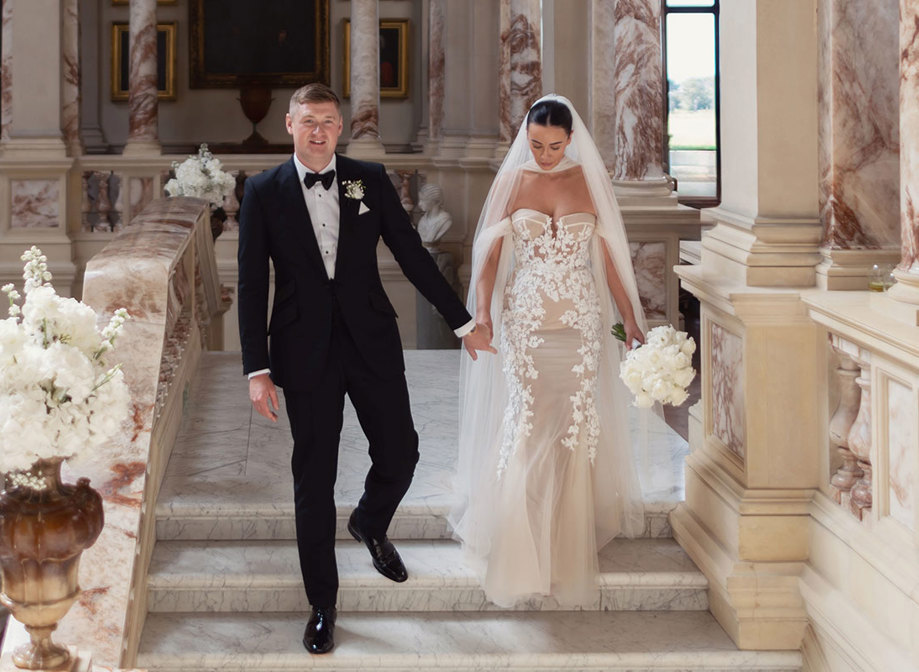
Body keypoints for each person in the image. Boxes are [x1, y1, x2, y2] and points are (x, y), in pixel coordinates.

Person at [237, 83, 494, 654]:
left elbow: (412, 255)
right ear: (290, 124)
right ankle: (323, 605)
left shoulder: (366, 181)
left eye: (329, 121)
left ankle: (371, 521)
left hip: (372, 341)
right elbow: (253, 285)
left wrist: (462, 323)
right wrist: (257, 368)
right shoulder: (263, 191)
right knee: (314, 478)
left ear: (341, 126)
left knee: (401, 450)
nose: (319, 131)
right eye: (309, 121)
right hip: (302, 352)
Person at [449, 95, 648, 608]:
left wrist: (629, 316)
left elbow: (607, 258)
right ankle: (520, 552)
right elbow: (489, 256)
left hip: (580, 325)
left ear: (571, 140)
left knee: (571, 427)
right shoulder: (514, 182)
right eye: (536, 144)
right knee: (531, 423)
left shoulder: (588, 181)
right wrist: (485, 315)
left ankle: (561, 547)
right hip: (527, 324)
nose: (543, 154)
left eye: (554, 146)